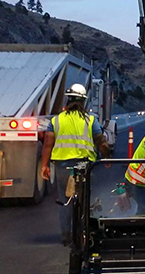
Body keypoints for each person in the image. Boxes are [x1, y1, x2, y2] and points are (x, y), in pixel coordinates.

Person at [41, 84, 109, 246]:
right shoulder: (90, 120)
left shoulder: (56, 120)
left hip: (63, 167)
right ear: (83, 102)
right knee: (88, 200)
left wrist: (44, 166)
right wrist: (106, 158)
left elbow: (47, 144)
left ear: (68, 99)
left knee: (65, 201)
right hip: (85, 166)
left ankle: (66, 237)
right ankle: (88, 233)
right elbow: (102, 143)